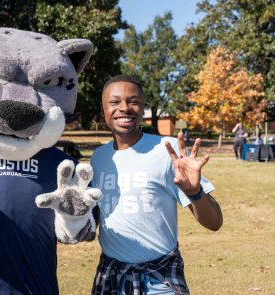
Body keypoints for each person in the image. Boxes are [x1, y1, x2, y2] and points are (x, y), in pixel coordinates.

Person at [90, 75, 223, 294]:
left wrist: (195, 192)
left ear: (143, 109)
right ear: (103, 108)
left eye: (133, 101)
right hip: (111, 276)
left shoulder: (167, 150)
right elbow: (93, 218)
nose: (124, 108)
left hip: (160, 281)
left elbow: (215, 222)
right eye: (114, 102)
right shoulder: (99, 158)